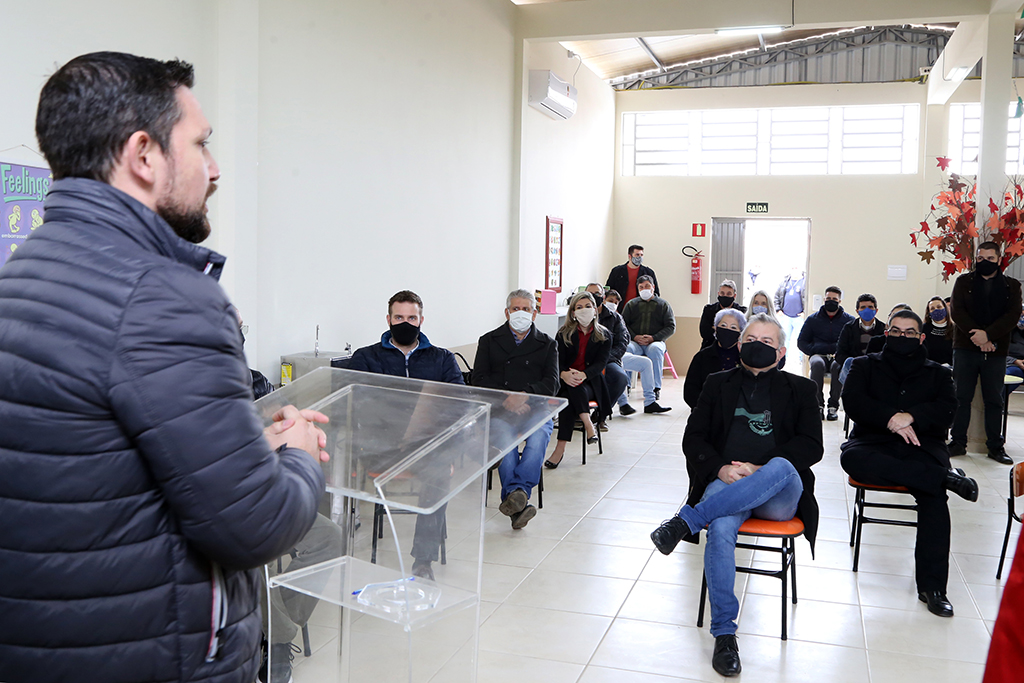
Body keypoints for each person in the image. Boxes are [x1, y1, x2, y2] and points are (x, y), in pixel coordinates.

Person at [0, 52, 329, 683]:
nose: (214, 168)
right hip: (154, 653)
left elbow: (95, 465)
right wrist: (297, 454)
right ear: (144, 154)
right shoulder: (164, 297)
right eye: (200, 144)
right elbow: (255, 526)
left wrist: (241, 449)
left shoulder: (26, 273)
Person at [650, 314, 822, 677]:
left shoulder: (802, 389)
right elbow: (693, 438)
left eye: (767, 341)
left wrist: (760, 471)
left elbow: (811, 446)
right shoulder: (716, 384)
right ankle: (725, 634)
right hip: (726, 481)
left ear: (781, 351)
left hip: (778, 495)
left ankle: (686, 521)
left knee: (782, 465)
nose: (757, 345)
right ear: (740, 344)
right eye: (751, 338)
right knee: (722, 528)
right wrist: (722, 469)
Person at [840, 310, 978, 617]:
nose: (903, 337)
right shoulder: (864, 365)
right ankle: (945, 478)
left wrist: (911, 416)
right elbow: (853, 401)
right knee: (851, 458)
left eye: (910, 332)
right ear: (887, 333)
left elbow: (947, 410)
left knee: (932, 499)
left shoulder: (939, 373)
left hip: (922, 445)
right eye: (897, 331)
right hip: (872, 443)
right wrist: (889, 419)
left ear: (922, 337)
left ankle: (933, 588)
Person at [348, 290, 463, 578]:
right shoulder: (366, 358)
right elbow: (358, 405)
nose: (405, 323)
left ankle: (423, 561)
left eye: (412, 318)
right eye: (399, 317)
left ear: (421, 320)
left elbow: (460, 403)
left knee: (439, 472)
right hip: (381, 446)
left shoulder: (442, 359)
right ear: (388, 319)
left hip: (425, 446)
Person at [471, 289, 559, 529]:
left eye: (526, 309)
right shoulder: (489, 340)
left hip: (534, 408)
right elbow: (478, 379)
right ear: (507, 312)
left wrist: (524, 397)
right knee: (506, 442)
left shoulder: (548, 344)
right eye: (515, 309)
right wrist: (507, 398)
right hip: (500, 409)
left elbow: (552, 383)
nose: (520, 313)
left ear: (535, 313)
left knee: (539, 436)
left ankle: (515, 494)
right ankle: (519, 497)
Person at [948, 242, 1023, 464]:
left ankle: (995, 447)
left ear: (999, 260)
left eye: (990, 258)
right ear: (975, 259)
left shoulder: (1012, 286)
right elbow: (957, 311)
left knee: (994, 400)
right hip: (965, 347)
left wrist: (987, 336)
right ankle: (958, 442)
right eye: (980, 258)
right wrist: (978, 338)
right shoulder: (963, 282)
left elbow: (1012, 316)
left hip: (996, 349)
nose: (985, 262)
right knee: (962, 396)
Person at [544, 291, 613, 469]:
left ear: (595, 310)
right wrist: (563, 374)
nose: (584, 310)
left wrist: (584, 375)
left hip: (591, 382)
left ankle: (559, 449)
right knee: (570, 392)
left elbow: (600, 363)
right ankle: (588, 424)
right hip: (566, 379)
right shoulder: (564, 333)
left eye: (588, 306)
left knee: (573, 391)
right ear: (573, 312)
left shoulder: (604, 335)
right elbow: (555, 361)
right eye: (579, 307)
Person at [603, 288, 670, 416]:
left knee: (646, 363)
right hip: (602, 359)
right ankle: (623, 403)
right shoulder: (595, 319)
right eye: (610, 300)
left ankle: (650, 402)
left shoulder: (617, 319)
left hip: (616, 356)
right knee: (618, 367)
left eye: (616, 302)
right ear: (604, 300)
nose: (613, 304)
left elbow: (624, 339)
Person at [798, 286, 855, 421]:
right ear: (824, 299)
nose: (831, 301)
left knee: (838, 367)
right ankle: (818, 405)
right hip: (818, 355)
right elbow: (801, 341)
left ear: (840, 301)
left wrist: (841, 352)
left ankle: (833, 406)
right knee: (817, 364)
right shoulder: (813, 319)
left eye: (834, 299)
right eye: (828, 298)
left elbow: (852, 343)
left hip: (838, 356)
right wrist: (814, 350)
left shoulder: (848, 321)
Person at [621, 275, 676, 402]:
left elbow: (671, 327)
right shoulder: (631, 305)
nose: (644, 289)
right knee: (627, 349)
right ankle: (626, 385)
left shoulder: (663, 305)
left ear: (653, 287)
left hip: (655, 342)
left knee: (656, 350)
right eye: (641, 287)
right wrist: (634, 336)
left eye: (647, 286)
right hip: (635, 342)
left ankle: (655, 388)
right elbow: (623, 325)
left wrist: (654, 338)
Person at [586, 283, 629, 429]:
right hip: (583, 362)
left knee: (620, 378)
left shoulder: (615, 318)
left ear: (603, 297)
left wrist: (603, 360)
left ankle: (600, 415)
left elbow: (622, 344)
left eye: (597, 293)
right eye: (589, 293)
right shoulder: (577, 316)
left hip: (608, 360)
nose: (593, 297)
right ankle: (578, 415)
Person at [683, 308, 745, 409]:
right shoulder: (702, 357)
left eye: (733, 328)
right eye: (723, 325)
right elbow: (690, 392)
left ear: (740, 334)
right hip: (705, 413)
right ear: (715, 328)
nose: (727, 330)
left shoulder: (744, 358)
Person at [836, 293, 885, 384]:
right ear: (857, 311)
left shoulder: (883, 329)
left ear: (876, 310)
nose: (867, 310)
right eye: (863, 307)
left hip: (875, 367)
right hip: (853, 366)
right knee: (849, 362)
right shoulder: (848, 328)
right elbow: (840, 353)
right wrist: (857, 363)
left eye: (870, 307)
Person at [699, 279, 747, 348]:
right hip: (710, 349)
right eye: (722, 293)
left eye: (729, 294)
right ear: (718, 294)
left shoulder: (742, 312)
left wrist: (716, 330)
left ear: (734, 295)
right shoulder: (709, 310)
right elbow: (705, 333)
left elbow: (743, 335)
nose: (725, 296)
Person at [775, 266, 807, 368]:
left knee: (800, 339)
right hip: (785, 316)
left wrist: (804, 312)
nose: (794, 270)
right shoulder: (785, 282)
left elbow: (807, 298)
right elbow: (777, 296)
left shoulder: (805, 282)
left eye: (797, 267)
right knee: (784, 339)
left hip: (799, 317)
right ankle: (783, 360)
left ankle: (800, 361)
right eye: (793, 268)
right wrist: (778, 310)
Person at [923, 296, 954, 366]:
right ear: (929, 313)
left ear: (945, 309)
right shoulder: (924, 329)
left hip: (950, 369)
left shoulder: (954, 329)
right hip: (929, 368)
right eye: (932, 309)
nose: (936, 310)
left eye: (939, 307)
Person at [1005, 306, 1024, 389]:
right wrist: (1015, 361)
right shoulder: (1006, 332)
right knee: (1008, 375)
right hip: (1014, 365)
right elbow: (996, 353)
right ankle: (999, 401)